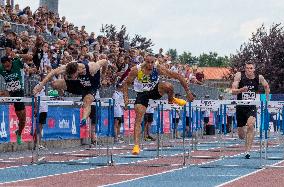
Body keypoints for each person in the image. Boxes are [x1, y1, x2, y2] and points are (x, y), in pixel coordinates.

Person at [123, 54, 195, 155]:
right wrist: (125, 98)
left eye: (152, 62)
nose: (150, 64)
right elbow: (126, 83)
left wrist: (188, 92)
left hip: (155, 90)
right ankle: (136, 146)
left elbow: (178, 76)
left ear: (154, 62)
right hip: (142, 94)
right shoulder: (137, 70)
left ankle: (172, 99)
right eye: (148, 62)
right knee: (138, 117)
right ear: (144, 61)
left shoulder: (158, 68)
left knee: (168, 85)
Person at [33, 59, 108, 127]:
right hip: (79, 84)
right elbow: (53, 72)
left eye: (72, 76)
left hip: (92, 87)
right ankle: (62, 94)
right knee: (55, 84)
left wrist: (103, 76)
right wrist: (41, 84)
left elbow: (105, 61)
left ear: (77, 71)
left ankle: (83, 119)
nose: (70, 77)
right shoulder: (70, 66)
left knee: (87, 101)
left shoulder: (92, 67)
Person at [231, 61, 270, 159]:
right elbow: (233, 91)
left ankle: (247, 151)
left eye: (251, 68)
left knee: (251, 125)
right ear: (245, 69)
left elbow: (266, 86)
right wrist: (241, 90)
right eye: (247, 68)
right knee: (241, 135)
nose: (249, 70)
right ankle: (245, 138)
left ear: (254, 69)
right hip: (240, 106)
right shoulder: (239, 75)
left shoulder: (259, 77)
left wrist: (267, 100)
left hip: (251, 106)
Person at [0, 56, 26, 145]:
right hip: (11, 93)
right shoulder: (1, 68)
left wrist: (18, 55)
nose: (5, 68)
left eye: (7, 66)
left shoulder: (16, 63)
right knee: (20, 117)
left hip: (20, 92)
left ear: (10, 62)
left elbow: (29, 56)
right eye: (4, 66)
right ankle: (18, 134)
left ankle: (18, 132)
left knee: (23, 120)